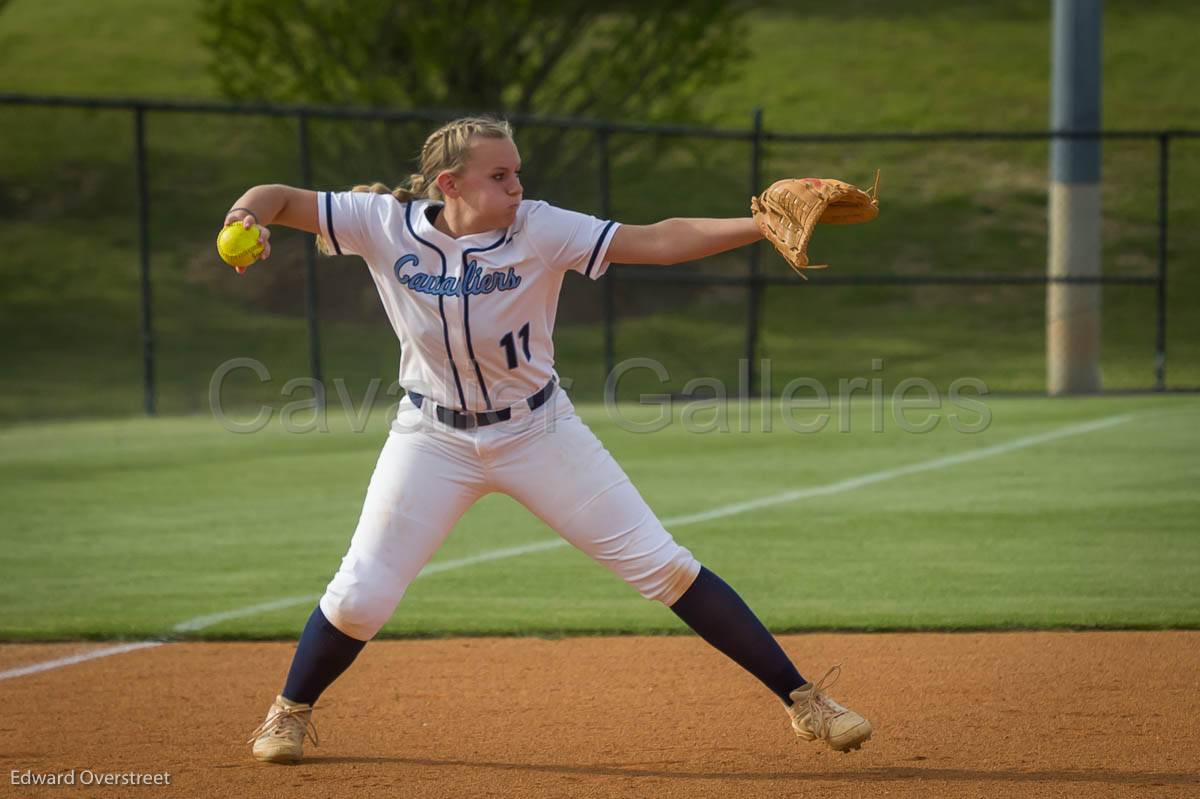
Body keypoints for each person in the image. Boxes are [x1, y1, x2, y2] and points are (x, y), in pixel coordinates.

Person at [226, 116, 871, 764]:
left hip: (538, 430)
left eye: (517, 172)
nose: (516, 185)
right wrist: (245, 216)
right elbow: (277, 197)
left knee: (663, 564)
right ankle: (288, 712)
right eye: (499, 175)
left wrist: (758, 224)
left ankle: (805, 699)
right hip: (432, 438)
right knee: (362, 593)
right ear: (449, 183)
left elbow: (658, 241)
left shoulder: (539, 226)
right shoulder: (382, 223)